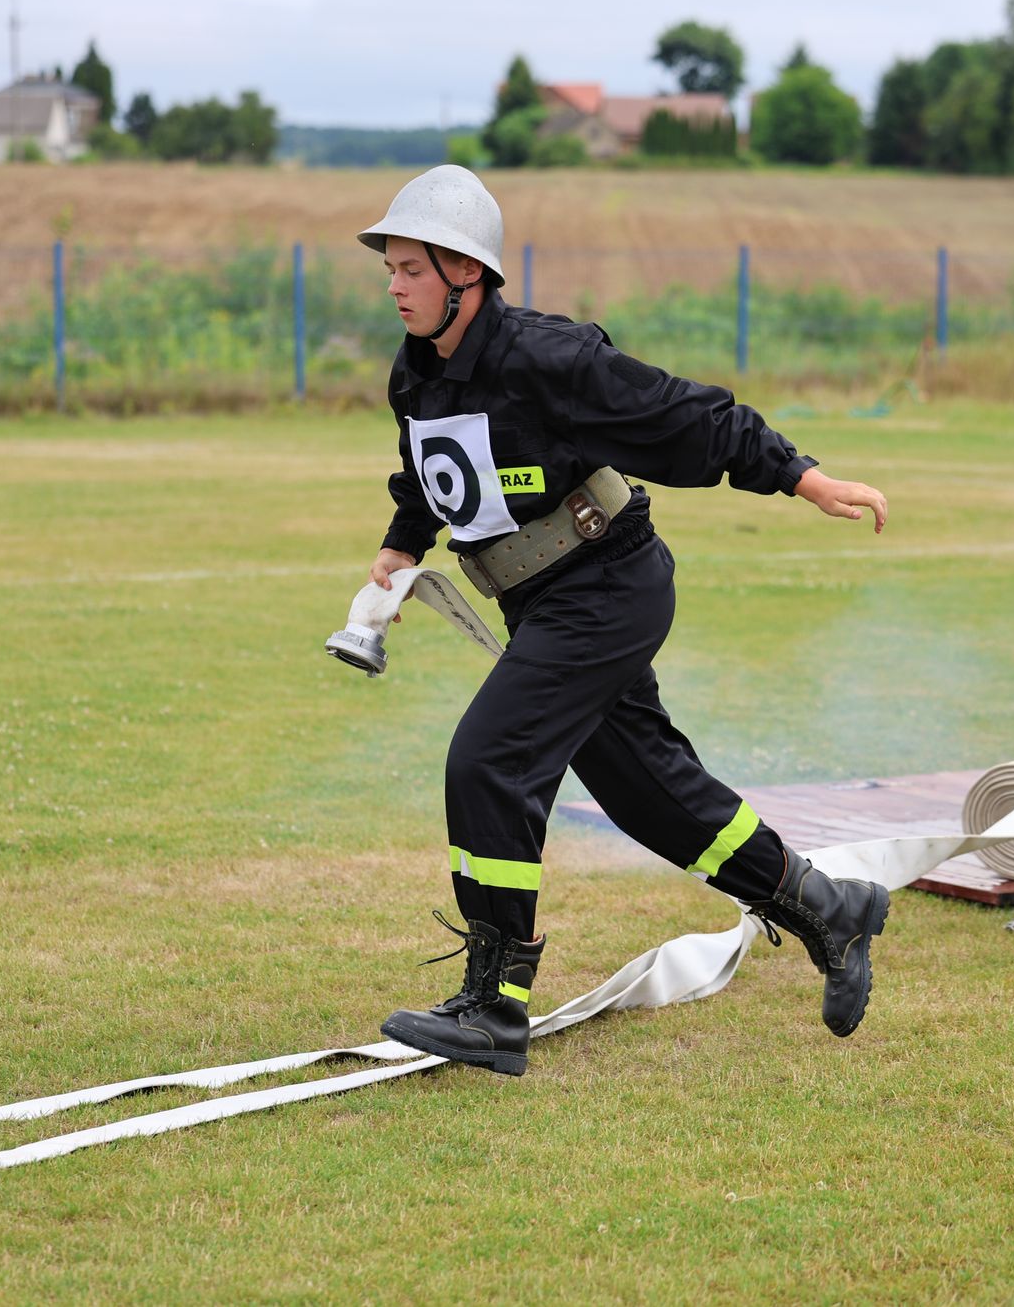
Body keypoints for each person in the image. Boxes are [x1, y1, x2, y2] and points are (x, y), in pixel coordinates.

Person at [355, 166, 894, 1076]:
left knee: (490, 759)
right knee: (653, 798)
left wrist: (804, 476)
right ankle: (827, 909)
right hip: (541, 601)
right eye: (392, 270)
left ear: (465, 273)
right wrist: (403, 545)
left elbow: (686, 416)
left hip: (609, 586)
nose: (396, 286)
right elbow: (429, 472)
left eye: (412, 268)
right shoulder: (417, 373)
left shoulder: (547, 356)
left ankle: (495, 1004)